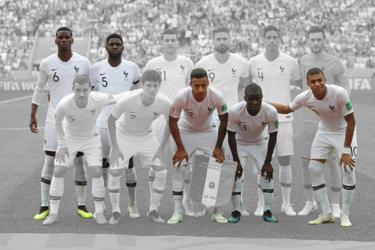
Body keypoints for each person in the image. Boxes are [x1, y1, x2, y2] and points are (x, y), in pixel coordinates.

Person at [271, 67, 357, 227]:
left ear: (325, 79)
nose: (317, 84)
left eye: (320, 80)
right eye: (313, 81)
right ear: (307, 83)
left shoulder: (339, 93)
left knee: (348, 170)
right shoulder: (305, 97)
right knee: (314, 169)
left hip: (343, 131)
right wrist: (263, 102)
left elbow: (351, 121)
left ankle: (345, 214)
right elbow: (285, 109)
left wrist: (346, 151)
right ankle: (325, 213)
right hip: (324, 131)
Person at [30, 27, 92, 221]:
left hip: (78, 119)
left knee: (79, 160)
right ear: (56, 41)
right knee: (49, 159)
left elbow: (91, 89)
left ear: (72, 40)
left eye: (67, 37)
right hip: (53, 118)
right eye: (60, 37)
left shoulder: (83, 62)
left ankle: (81, 205)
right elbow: (39, 89)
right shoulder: (47, 63)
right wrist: (33, 115)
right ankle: (44, 206)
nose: (64, 40)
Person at [43, 75, 116, 225]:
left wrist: (138, 93)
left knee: (97, 171)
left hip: (91, 138)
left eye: (85, 90)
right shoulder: (64, 104)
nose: (81, 93)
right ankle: (53, 213)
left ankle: (99, 212)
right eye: (78, 90)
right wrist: (62, 146)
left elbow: (117, 97)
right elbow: (57, 124)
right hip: (70, 139)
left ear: (90, 89)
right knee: (58, 171)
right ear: (73, 89)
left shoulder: (99, 98)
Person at [194, 26, 250, 216]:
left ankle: (238, 202)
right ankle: (206, 203)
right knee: (210, 161)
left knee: (236, 160)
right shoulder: (203, 63)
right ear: (213, 41)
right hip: (211, 119)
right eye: (218, 39)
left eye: (224, 38)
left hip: (233, 117)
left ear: (229, 39)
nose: (222, 42)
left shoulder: (241, 62)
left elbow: (243, 84)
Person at [297, 26, 351, 217]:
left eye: (319, 39)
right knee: (305, 161)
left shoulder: (335, 63)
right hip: (306, 120)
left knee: (332, 162)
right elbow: (301, 88)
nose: (316, 43)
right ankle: (310, 201)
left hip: (329, 123)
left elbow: (346, 90)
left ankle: (335, 205)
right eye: (313, 40)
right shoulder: (302, 61)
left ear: (324, 40)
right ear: (308, 41)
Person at [248, 25, 301, 216]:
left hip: (284, 120)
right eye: (268, 37)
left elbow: (298, 83)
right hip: (260, 121)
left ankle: (287, 204)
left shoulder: (291, 62)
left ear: (280, 38)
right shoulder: (254, 62)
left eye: (274, 37)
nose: (271, 40)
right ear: (263, 39)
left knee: (285, 161)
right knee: (261, 163)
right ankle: (262, 203)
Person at [107, 70, 171, 224]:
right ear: (143, 85)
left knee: (161, 171)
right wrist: (115, 147)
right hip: (124, 135)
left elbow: (171, 124)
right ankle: (115, 211)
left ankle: (153, 210)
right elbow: (110, 120)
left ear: (159, 86)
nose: (152, 89)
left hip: (146, 136)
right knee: (115, 171)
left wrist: (161, 148)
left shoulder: (164, 102)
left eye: (155, 86)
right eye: (148, 85)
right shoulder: (128, 100)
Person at [167, 67, 228, 224]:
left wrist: (218, 146)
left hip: (208, 130)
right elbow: (172, 121)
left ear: (208, 83)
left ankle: (216, 211)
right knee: (179, 167)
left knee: (215, 168)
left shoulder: (217, 96)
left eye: (204, 85)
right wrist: (180, 148)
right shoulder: (181, 96)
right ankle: (177, 211)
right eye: (196, 85)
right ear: (190, 84)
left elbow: (224, 119)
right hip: (186, 130)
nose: (201, 89)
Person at [144, 28, 194, 216]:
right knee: (155, 160)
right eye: (167, 40)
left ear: (177, 43)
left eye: (173, 40)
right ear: (162, 42)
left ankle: (184, 202)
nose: (171, 43)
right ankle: (153, 205)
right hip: (157, 118)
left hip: (180, 119)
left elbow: (192, 89)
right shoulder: (152, 63)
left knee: (182, 162)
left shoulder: (186, 62)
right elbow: (147, 90)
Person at [89, 34, 141, 210]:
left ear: (123, 47)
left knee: (128, 164)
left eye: (118, 44)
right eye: (111, 44)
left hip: (124, 124)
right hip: (102, 123)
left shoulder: (132, 68)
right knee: (103, 164)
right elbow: (93, 95)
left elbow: (137, 93)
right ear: (106, 47)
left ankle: (133, 204)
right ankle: (102, 204)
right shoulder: (96, 68)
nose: (114, 46)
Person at [227, 83, 278, 224]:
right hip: (239, 143)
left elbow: (273, 135)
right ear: (245, 98)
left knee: (267, 175)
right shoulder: (235, 111)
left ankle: (267, 211)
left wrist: (268, 162)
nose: (254, 102)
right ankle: (236, 211)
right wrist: (236, 162)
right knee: (235, 176)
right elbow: (230, 135)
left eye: (258, 99)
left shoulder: (271, 111)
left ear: (262, 98)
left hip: (260, 142)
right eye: (251, 99)